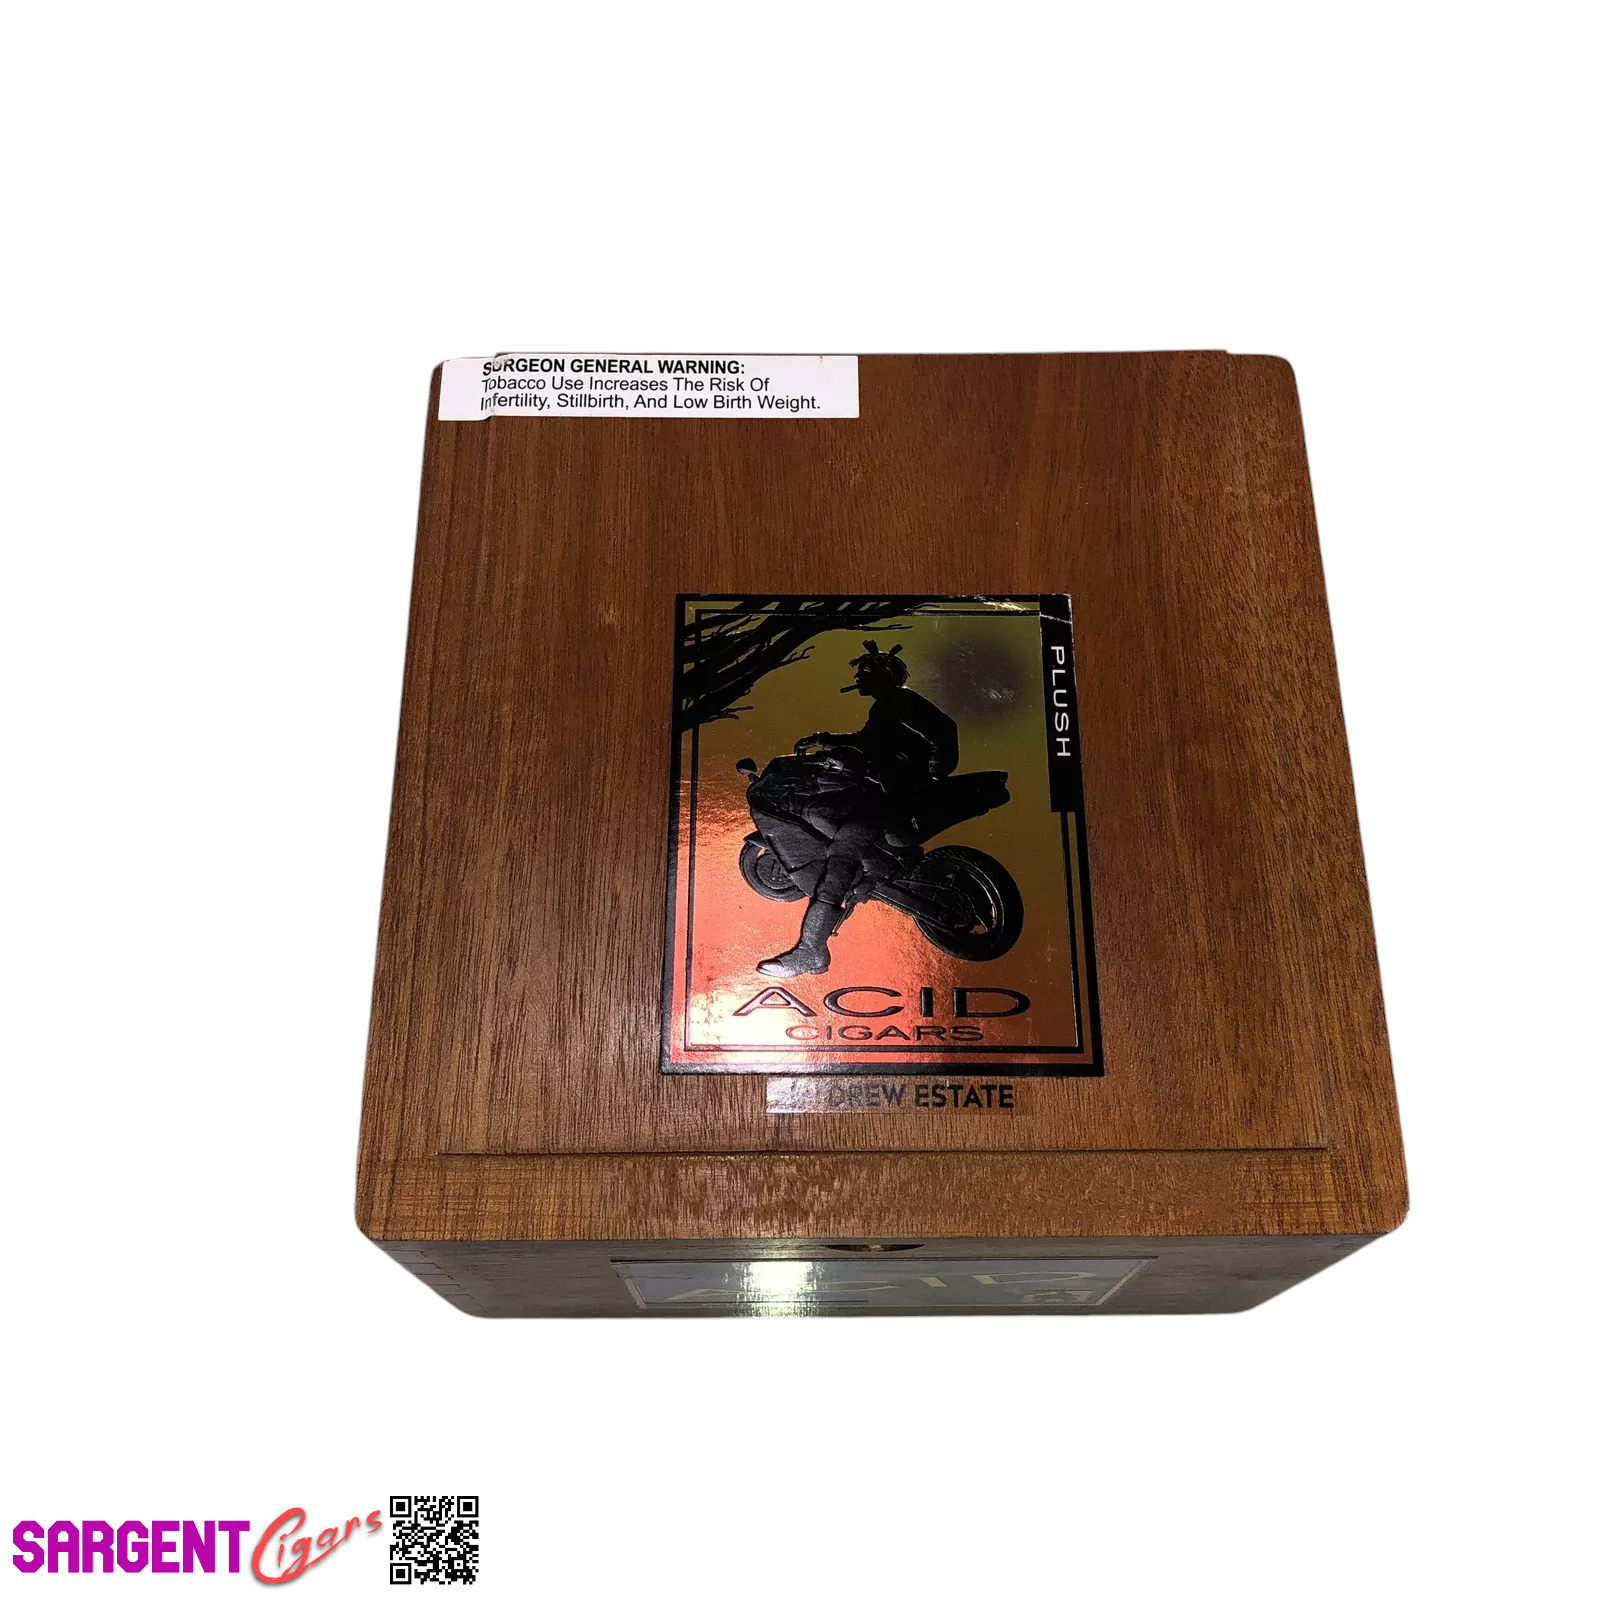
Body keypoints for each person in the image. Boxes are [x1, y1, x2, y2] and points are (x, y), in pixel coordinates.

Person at [756, 640, 958, 977]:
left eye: (865, 671)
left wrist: (931, 775)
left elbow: (945, 731)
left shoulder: (902, 700)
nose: (859, 677)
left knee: (843, 852)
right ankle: (877, 863)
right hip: (880, 790)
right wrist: (823, 740)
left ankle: (812, 951)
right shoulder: (885, 708)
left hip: (895, 798)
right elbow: (865, 742)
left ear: (885, 673)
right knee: (816, 811)